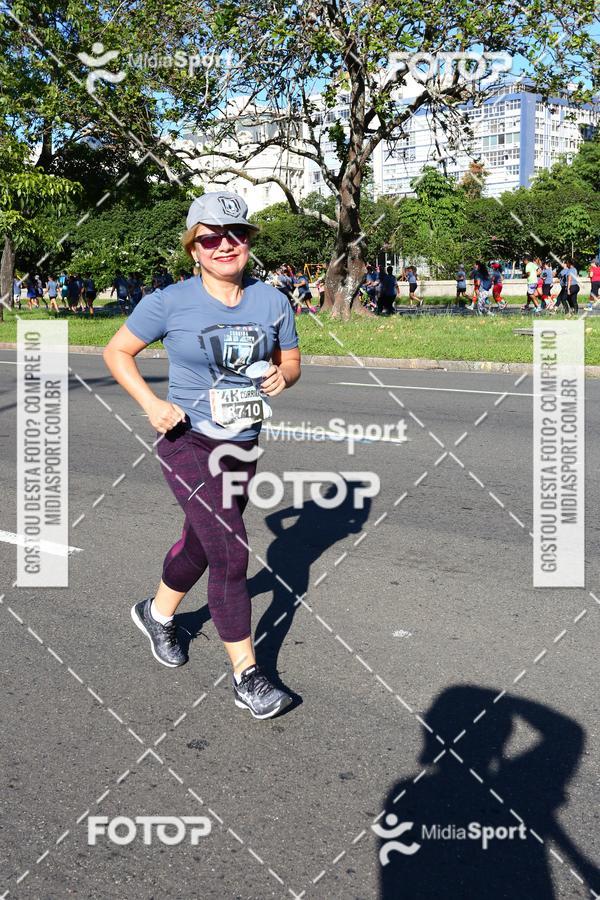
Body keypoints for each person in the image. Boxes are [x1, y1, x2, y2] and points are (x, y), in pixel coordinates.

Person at [102, 191, 301, 719]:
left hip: (243, 442)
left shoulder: (271, 300)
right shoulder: (169, 301)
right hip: (186, 439)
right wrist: (150, 403)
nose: (224, 245)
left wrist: (284, 376)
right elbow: (116, 351)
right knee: (231, 550)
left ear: (248, 242)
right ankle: (248, 677)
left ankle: (157, 614)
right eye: (210, 237)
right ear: (194, 248)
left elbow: (293, 362)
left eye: (235, 234)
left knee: (202, 542)